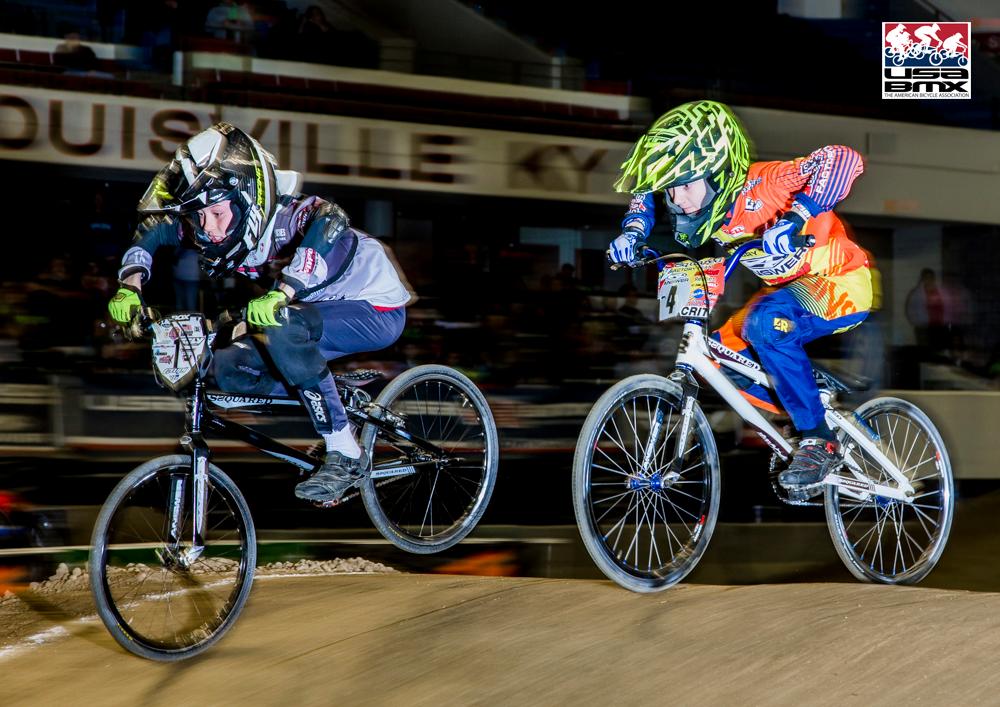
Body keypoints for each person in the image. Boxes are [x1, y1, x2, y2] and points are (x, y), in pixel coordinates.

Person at [107, 123, 411, 503]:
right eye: (200, 218)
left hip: (374, 308)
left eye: (217, 214)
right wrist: (130, 285)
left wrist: (284, 291)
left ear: (247, 198)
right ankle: (333, 400)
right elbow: (154, 229)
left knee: (282, 325)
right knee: (228, 368)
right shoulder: (215, 223)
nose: (210, 230)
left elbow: (331, 218)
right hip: (311, 312)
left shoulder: (287, 216)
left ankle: (346, 453)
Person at [609, 100, 870, 491]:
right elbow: (644, 191)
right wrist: (632, 233)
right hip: (786, 293)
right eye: (671, 190)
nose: (678, 200)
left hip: (840, 280)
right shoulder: (705, 207)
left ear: (718, 173)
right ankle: (806, 409)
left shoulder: (767, 183)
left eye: (685, 185)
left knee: (763, 322)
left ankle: (819, 439)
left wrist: (796, 217)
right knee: (715, 363)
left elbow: (844, 159)